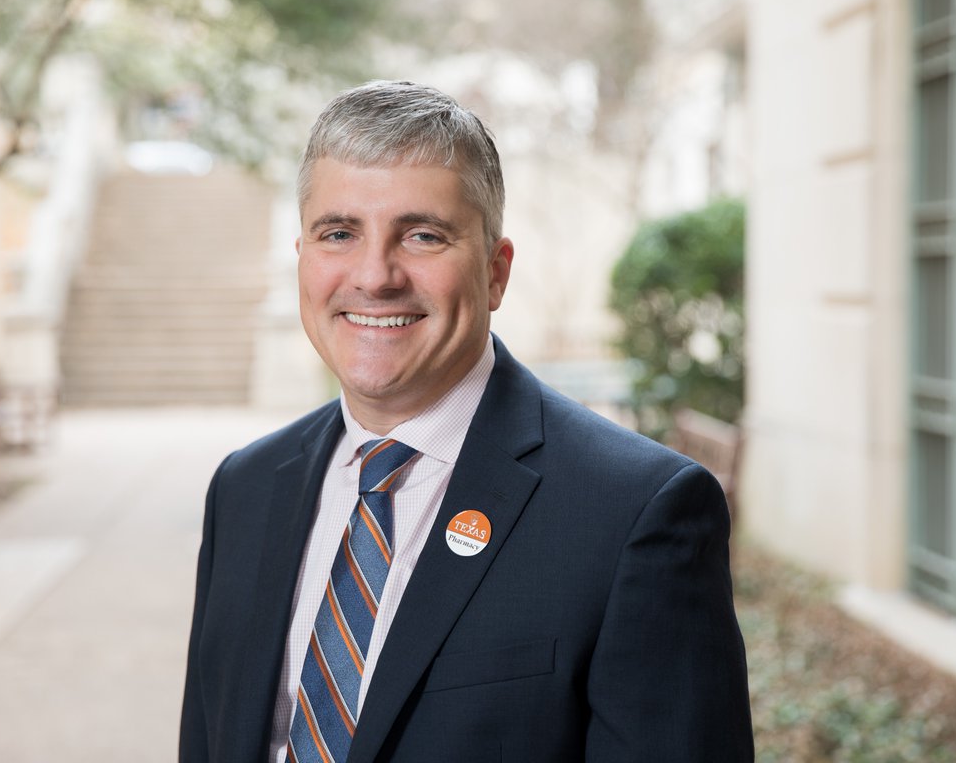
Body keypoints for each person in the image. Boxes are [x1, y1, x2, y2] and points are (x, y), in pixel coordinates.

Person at [179, 80, 753, 763]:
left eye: (422, 235)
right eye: (339, 233)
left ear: (496, 272)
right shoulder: (244, 489)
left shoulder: (636, 514)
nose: (375, 275)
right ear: (303, 260)